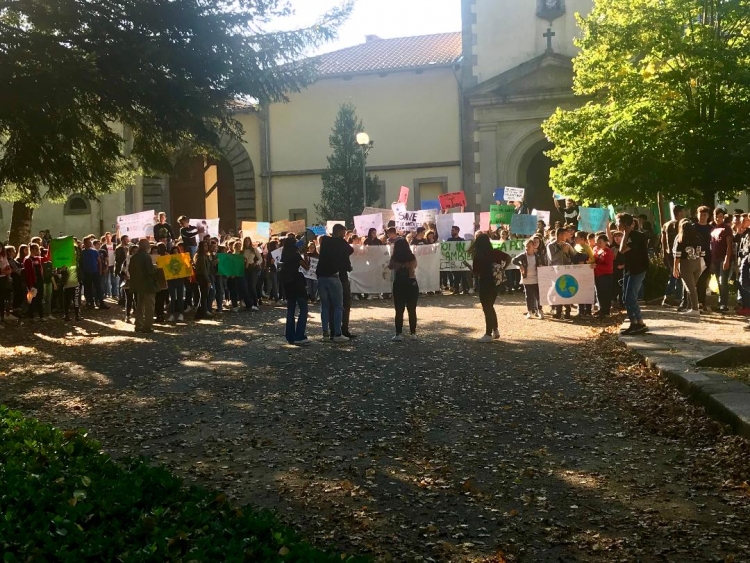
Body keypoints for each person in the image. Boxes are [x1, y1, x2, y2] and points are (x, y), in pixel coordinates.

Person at [469, 233, 510, 342]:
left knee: (487, 308)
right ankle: (495, 329)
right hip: (496, 282)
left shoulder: (478, 256)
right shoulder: (495, 252)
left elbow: (476, 273)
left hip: (485, 282)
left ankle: (488, 333)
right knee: (490, 306)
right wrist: (503, 269)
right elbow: (509, 258)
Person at [315, 223, 352, 343]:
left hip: (321, 277)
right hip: (333, 276)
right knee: (338, 306)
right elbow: (350, 250)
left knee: (325, 306)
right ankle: (337, 333)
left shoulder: (325, 241)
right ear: (341, 232)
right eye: (344, 233)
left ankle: (325, 333)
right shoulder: (341, 243)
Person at [617, 213, 649, 335]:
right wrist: (625, 234)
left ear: (625, 224)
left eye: (619, 222)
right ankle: (634, 322)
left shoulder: (637, 236)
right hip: (629, 269)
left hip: (638, 269)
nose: (617, 225)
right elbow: (621, 250)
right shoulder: (627, 235)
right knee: (625, 298)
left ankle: (639, 322)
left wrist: (626, 233)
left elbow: (623, 249)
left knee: (631, 297)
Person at [279, 236, 311, 346]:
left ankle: (290, 335)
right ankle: (299, 335)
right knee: (303, 310)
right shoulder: (296, 255)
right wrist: (305, 254)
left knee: (290, 310)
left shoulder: (284, 256)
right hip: (297, 283)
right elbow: (306, 267)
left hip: (288, 284)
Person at [673, 219, 705, 317]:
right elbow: (702, 253)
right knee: (692, 287)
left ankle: (695, 308)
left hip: (686, 265)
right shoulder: (698, 237)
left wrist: (675, 268)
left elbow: (677, 256)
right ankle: (693, 306)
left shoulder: (681, 239)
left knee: (690, 288)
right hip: (697, 264)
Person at [389, 238, 419, 341]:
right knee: (412, 309)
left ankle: (398, 334)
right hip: (411, 283)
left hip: (399, 284)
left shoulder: (395, 257)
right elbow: (415, 265)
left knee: (399, 310)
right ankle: (413, 333)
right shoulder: (411, 257)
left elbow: (390, 266)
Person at [546, 227, 576, 319]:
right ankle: (558, 311)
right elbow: (552, 258)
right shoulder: (550, 245)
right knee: (558, 290)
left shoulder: (567, 245)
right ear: (560, 235)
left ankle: (567, 311)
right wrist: (560, 251)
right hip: (556, 271)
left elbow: (574, 255)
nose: (567, 236)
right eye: (565, 234)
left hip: (567, 270)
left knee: (566, 290)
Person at [513, 238, 545, 319]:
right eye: (526, 247)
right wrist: (520, 265)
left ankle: (540, 311)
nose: (527, 248)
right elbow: (514, 260)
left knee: (538, 296)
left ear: (533, 247)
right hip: (526, 279)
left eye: (529, 247)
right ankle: (530, 311)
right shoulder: (523, 256)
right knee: (528, 296)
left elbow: (542, 263)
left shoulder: (537, 256)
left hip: (536, 279)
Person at [709, 207, 733, 313]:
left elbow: (729, 245)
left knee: (723, 281)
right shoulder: (713, 229)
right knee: (718, 282)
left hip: (723, 258)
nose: (718, 219)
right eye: (716, 217)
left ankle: (724, 304)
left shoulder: (726, 228)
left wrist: (727, 259)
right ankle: (720, 303)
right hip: (715, 259)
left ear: (723, 217)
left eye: (720, 217)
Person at [661, 205, 684, 306]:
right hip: (678, 253)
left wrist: (664, 254)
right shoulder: (681, 224)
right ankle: (676, 298)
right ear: (679, 213)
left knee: (673, 276)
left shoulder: (666, 224)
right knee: (678, 276)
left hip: (668, 253)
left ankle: (668, 297)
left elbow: (663, 241)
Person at [593, 234, 614, 317]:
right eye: (597, 242)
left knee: (605, 293)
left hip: (606, 276)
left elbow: (609, 267)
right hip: (598, 275)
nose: (598, 244)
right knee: (599, 293)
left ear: (606, 242)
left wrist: (597, 266)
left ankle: (606, 310)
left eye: (600, 242)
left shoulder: (608, 252)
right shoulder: (597, 250)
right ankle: (601, 308)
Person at [22, 243, 45, 320]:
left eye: (38, 249)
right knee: (32, 299)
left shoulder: (38, 259)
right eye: (35, 249)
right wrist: (30, 285)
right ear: (31, 249)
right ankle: (31, 316)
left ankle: (41, 316)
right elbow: (28, 273)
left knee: (39, 298)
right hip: (33, 282)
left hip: (40, 281)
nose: (37, 250)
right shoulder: (28, 260)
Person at [447, 225, 472, 295]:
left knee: (463, 275)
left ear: (457, 231)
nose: (451, 232)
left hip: (461, 260)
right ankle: (456, 289)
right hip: (453, 260)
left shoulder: (462, 240)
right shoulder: (449, 240)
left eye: (453, 230)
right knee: (456, 275)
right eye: (451, 230)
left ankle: (465, 289)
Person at [193, 239, 212, 320]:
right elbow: (204, 270)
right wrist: (208, 280)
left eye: (207, 245)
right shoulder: (200, 257)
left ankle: (201, 312)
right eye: (204, 245)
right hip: (202, 277)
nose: (206, 247)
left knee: (204, 295)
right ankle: (202, 312)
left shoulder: (205, 256)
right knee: (203, 295)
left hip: (203, 276)